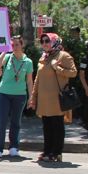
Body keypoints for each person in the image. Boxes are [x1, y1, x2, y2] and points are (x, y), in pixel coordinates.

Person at [30, 33, 78, 162]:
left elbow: (73, 72)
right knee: (47, 126)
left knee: (57, 126)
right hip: (44, 100)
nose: (44, 43)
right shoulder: (44, 57)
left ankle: (56, 152)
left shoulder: (63, 55)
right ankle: (47, 151)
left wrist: (58, 68)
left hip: (57, 99)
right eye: (42, 41)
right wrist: (33, 97)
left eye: (47, 41)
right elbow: (37, 79)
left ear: (55, 41)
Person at [0, 36, 34, 156]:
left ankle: (14, 147)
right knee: (2, 121)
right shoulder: (7, 57)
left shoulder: (28, 62)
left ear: (22, 45)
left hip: (20, 95)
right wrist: (4, 50)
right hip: (3, 94)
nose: (15, 47)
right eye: (12, 45)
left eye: (17, 45)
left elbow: (29, 81)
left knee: (16, 122)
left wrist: (31, 97)